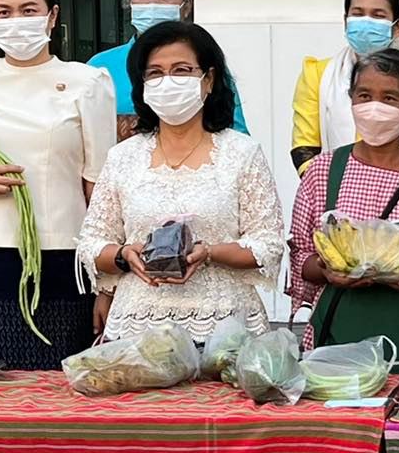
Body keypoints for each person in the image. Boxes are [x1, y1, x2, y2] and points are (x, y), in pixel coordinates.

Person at [0, 0, 115, 365]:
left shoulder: (87, 82)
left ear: (52, 16)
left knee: (58, 379)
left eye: (28, 9)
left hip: (63, 254)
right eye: (3, 12)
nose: (16, 21)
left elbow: (101, 190)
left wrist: (107, 281)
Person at [77, 21, 283, 340]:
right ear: (142, 85)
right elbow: (91, 243)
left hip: (225, 330)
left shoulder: (241, 152)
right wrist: (125, 255)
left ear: (209, 79)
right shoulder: (123, 157)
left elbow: (268, 243)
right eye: (155, 73)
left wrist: (210, 252)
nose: (168, 82)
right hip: (137, 330)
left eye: (182, 70)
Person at [287, 47, 399, 395]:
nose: (375, 107)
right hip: (340, 350)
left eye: (390, 97)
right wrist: (327, 271)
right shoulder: (322, 172)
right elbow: (301, 258)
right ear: (351, 101)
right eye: (364, 96)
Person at [290, 0, 399, 173]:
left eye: (377, 15)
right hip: (334, 193)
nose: (366, 21)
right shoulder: (317, 74)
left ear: (397, 27)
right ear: (345, 21)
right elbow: (304, 148)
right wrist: (329, 186)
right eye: (358, 14)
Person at [89, 0, 249, 143]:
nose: (153, 3)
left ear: (186, 6)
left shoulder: (204, 63)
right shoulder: (100, 67)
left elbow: (234, 131)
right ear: (129, 3)